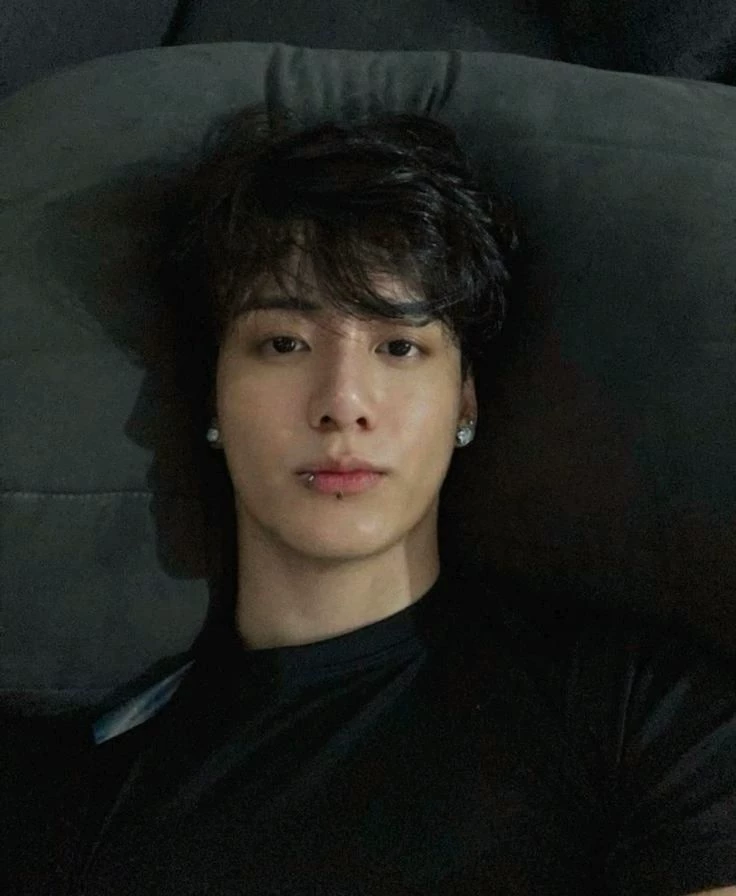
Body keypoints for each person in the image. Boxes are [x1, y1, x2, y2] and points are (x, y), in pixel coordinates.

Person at [5, 103, 736, 896]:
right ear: (213, 397)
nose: (342, 402)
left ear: (465, 402)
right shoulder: (77, 793)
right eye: (284, 343)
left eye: (399, 345)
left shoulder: (641, 715)